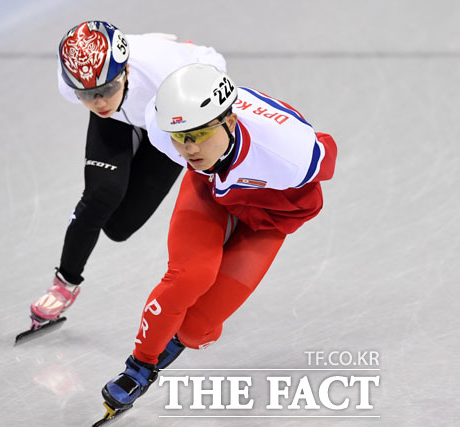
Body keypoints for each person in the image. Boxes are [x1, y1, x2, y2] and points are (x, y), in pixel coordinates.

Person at [101, 64, 337, 410]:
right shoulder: (162, 130)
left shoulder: (292, 155)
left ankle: (181, 339)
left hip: (268, 218)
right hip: (210, 187)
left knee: (196, 331)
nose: (189, 148)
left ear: (229, 121)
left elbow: (326, 154)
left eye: (198, 134)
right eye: (181, 137)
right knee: (189, 276)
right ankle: (139, 367)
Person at [29, 22, 226, 323]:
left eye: (106, 90)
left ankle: (151, 53)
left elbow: (216, 73)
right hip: (128, 111)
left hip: (169, 115)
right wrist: (102, 90)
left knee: (119, 227)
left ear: (126, 72)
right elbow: (99, 94)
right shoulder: (73, 85)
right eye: (88, 94)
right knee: (101, 195)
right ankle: (64, 284)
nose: (100, 102)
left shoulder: (168, 74)